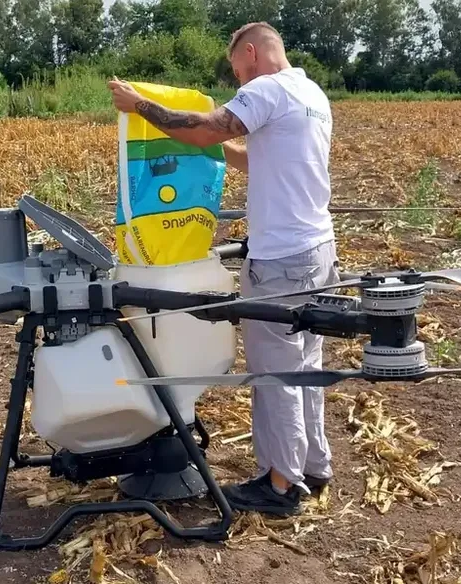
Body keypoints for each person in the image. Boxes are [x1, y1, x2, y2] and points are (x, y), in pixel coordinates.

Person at [108, 21, 339, 517]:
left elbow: (205, 127)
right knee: (306, 365)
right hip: (318, 252)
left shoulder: (267, 89)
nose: (238, 81)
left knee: (274, 372)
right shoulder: (311, 94)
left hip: (280, 259)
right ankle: (313, 466)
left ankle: (280, 485)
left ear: (251, 53)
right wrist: (203, 146)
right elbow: (252, 160)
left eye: (237, 70)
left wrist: (139, 105)